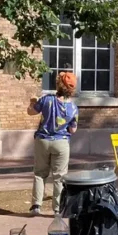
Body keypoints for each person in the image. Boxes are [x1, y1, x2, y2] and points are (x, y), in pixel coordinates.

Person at [27, 72, 79, 215]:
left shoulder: (46, 100)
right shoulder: (73, 108)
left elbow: (30, 112)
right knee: (59, 177)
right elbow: (73, 129)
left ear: (58, 84)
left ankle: (36, 206)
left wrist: (32, 102)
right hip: (61, 143)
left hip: (42, 140)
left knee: (39, 174)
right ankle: (57, 209)